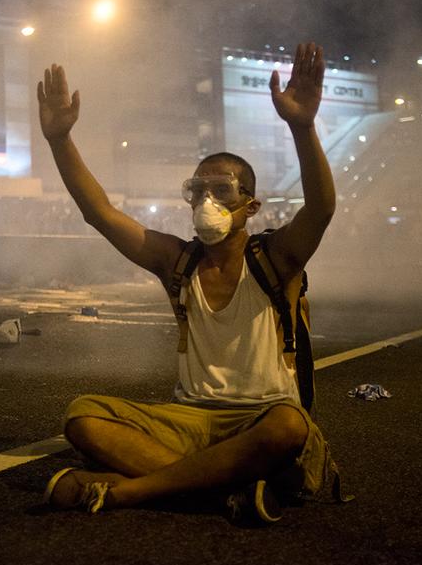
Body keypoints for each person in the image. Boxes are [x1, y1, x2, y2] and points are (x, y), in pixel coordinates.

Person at [37, 43, 337, 522]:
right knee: (83, 415)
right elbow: (101, 213)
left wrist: (302, 127)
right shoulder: (177, 261)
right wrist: (60, 141)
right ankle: (224, 493)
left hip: (261, 416)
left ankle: (131, 491)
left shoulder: (275, 259)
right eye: (198, 190)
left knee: (288, 425)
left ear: (251, 206)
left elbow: (320, 209)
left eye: (222, 190)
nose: (207, 200)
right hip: (190, 418)